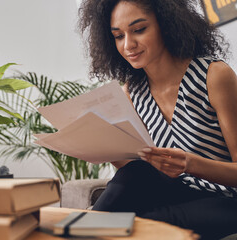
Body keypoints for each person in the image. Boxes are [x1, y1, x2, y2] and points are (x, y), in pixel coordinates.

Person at [78, 0, 237, 239]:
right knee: (134, 175)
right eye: (118, 36)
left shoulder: (214, 76)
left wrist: (190, 164)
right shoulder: (133, 91)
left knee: (148, 221)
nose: (128, 45)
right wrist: (108, 152)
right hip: (178, 193)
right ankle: (78, 231)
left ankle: (82, 230)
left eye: (139, 30)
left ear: (167, 25)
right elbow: (141, 168)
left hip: (226, 200)